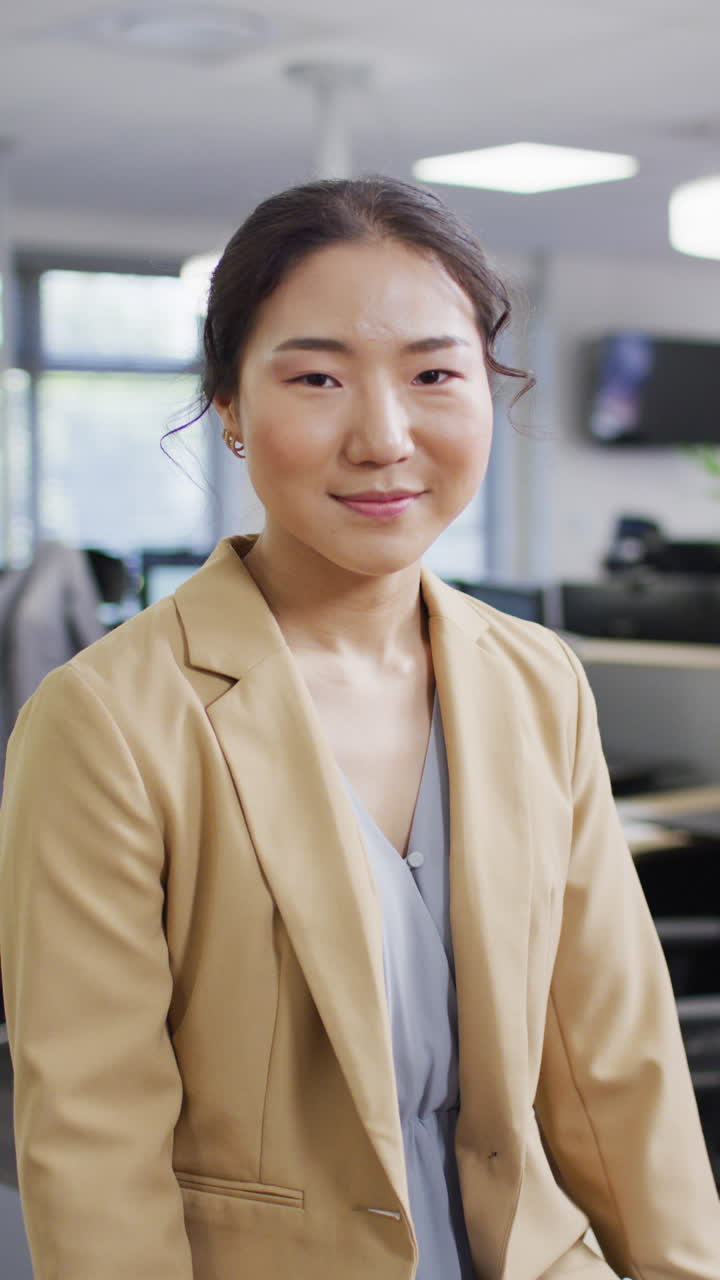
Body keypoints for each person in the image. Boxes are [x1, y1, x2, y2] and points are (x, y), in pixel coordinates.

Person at [0, 176, 717, 1280]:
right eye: (318, 378)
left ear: (490, 390)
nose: (384, 437)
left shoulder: (536, 681)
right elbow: (95, 1145)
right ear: (229, 408)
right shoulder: (107, 722)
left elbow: (618, 1064)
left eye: (435, 373)